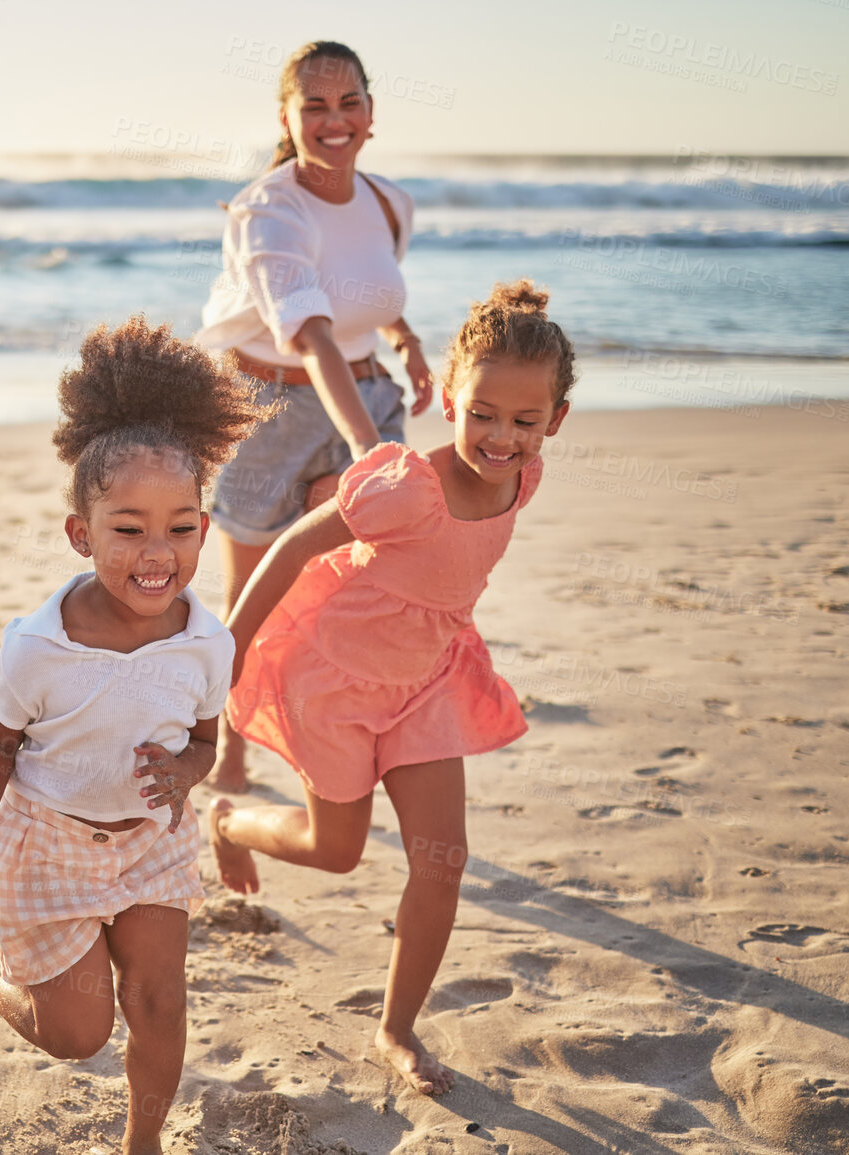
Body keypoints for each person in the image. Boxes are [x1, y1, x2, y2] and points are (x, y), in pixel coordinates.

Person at [208, 280, 575, 1096]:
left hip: (426, 683)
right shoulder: (404, 482)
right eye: (481, 413)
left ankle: (394, 1028)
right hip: (333, 683)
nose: (499, 437)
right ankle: (229, 819)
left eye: (523, 421)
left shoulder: (524, 479)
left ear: (554, 421)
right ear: (447, 397)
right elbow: (294, 547)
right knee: (335, 851)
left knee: (441, 861)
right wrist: (229, 648)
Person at [0, 318, 273, 1154]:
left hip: (151, 842)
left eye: (182, 527)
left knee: (159, 999)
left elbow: (204, 735)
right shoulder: (39, 646)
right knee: (76, 1032)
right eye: (128, 528)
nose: (158, 553)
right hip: (47, 844)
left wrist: (186, 772)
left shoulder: (205, 640)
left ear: (202, 523)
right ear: (81, 533)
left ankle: (140, 1143)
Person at [194, 40, 435, 792]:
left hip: (364, 394)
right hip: (270, 410)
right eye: (314, 106)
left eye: (348, 102)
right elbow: (312, 332)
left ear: (370, 113)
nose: (334, 120)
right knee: (255, 595)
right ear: (286, 118)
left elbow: (367, 294)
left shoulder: (390, 200)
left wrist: (407, 342)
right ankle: (228, 746)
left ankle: (340, 740)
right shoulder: (267, 210)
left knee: (356, 587)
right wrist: (367, 450)